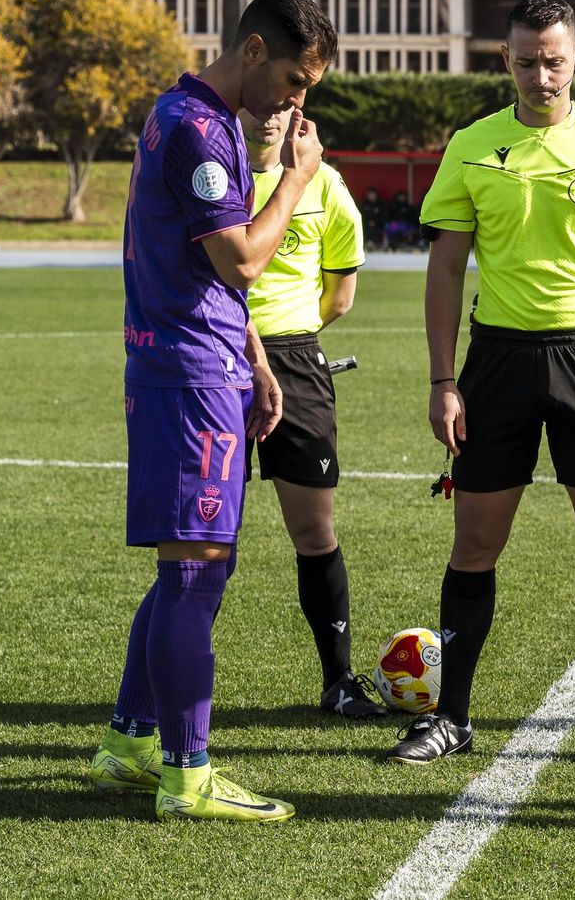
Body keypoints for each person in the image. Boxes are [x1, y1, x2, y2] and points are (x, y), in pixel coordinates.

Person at [387, 0, 575, 769]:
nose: (541, 73)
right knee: (475, 541)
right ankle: (452, 718)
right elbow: (446, 267)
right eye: (525, 59)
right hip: (499, 363)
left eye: (554, 58)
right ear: (504, 60)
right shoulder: (473, 146)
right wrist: (444, 380)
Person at [88, 0, 334, 822]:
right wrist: (299, 180)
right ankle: (188, 777)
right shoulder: (198, 128)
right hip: (188, 379)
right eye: (296, 82)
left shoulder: (200, 114)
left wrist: (258, 358)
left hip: (206, 366)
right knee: (195, 575)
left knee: (188, 570)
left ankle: (129, 741)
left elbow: (208, 274)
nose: (297, 105)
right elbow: (240, 261)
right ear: (256, 52)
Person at [236, 106, 383, 721]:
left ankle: (339, 680)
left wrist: (286, 341)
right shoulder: (216, 175)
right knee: (205, 540)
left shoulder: (326, 184)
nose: (271, 118)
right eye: (259, 105)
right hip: (216, 355)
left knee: (314, 532)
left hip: (296, 361)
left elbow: (340, 294)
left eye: (284, 109)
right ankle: (177, 687)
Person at [360, 187, 388, 252]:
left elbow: (384, 216)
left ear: (376, 195)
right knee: (363, 229)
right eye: (370, 194)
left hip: (379, 225)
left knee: (382, 228)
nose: (371, 196)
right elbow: (361, 216)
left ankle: (379, 244)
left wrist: (376, 222)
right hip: (366, 225)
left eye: (373, 195)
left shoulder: (381, 204)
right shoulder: (364, 204)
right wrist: (368, 222)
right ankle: (367, 244)